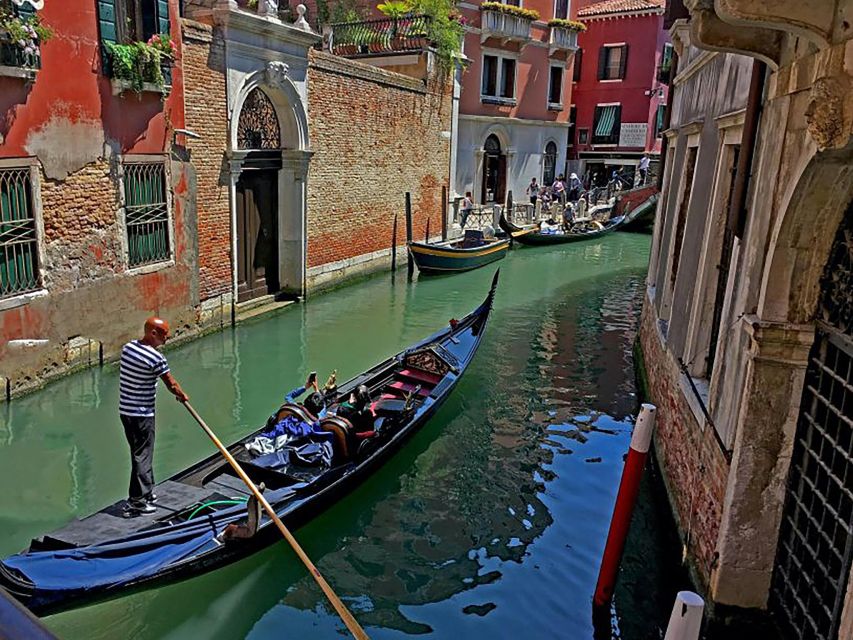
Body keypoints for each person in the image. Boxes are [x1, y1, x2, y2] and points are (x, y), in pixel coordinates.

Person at [119, 317, 188, 516]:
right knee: (142, 456)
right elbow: (171, 383)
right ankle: (137, 502)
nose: (167, 338)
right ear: (154, 334)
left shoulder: (128, 348)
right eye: (165, 335)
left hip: (125, 412)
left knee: (139, 453)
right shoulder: (156, 358)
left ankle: (147, 492)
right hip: (142, 414)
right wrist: (182, 396)